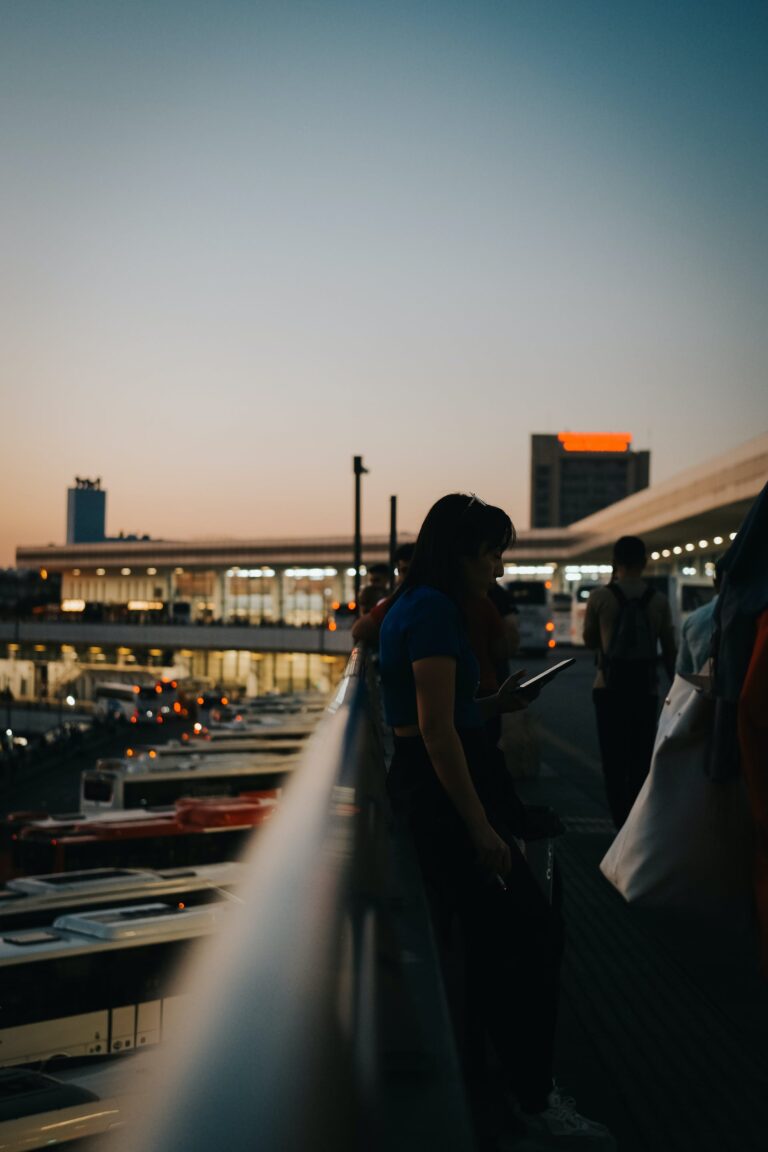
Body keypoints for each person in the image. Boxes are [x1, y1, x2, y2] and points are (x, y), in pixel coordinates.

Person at [380, 493, 612, 1147]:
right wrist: (480, 825)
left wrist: (494, 703)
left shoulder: (420, 604)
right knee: (532, 933)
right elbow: (432, 730)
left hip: (432, 788)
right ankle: (532, 1100)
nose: (499, 569)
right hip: (444, 794)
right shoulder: (432, 611)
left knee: (493, 943)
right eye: (492, 554)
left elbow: (438, 718)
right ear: (462, 552)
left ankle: (510, 1087)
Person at [583, 536, 676, 828]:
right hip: (645, 690)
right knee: (639, 763)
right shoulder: (658, 600)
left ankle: (619, 824)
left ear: (615, 562)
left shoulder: (600, 597)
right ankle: (638, 826)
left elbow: (589, 640)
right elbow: (669, 647)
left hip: (608, 688)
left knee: (613, 762)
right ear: (644, 562)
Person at [351, 544, 414, 644]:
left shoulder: (395, 598)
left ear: (387, 579)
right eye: (371, 580)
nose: (373, 584)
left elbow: (358, 629)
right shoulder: (370, 594)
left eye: (376, 580)